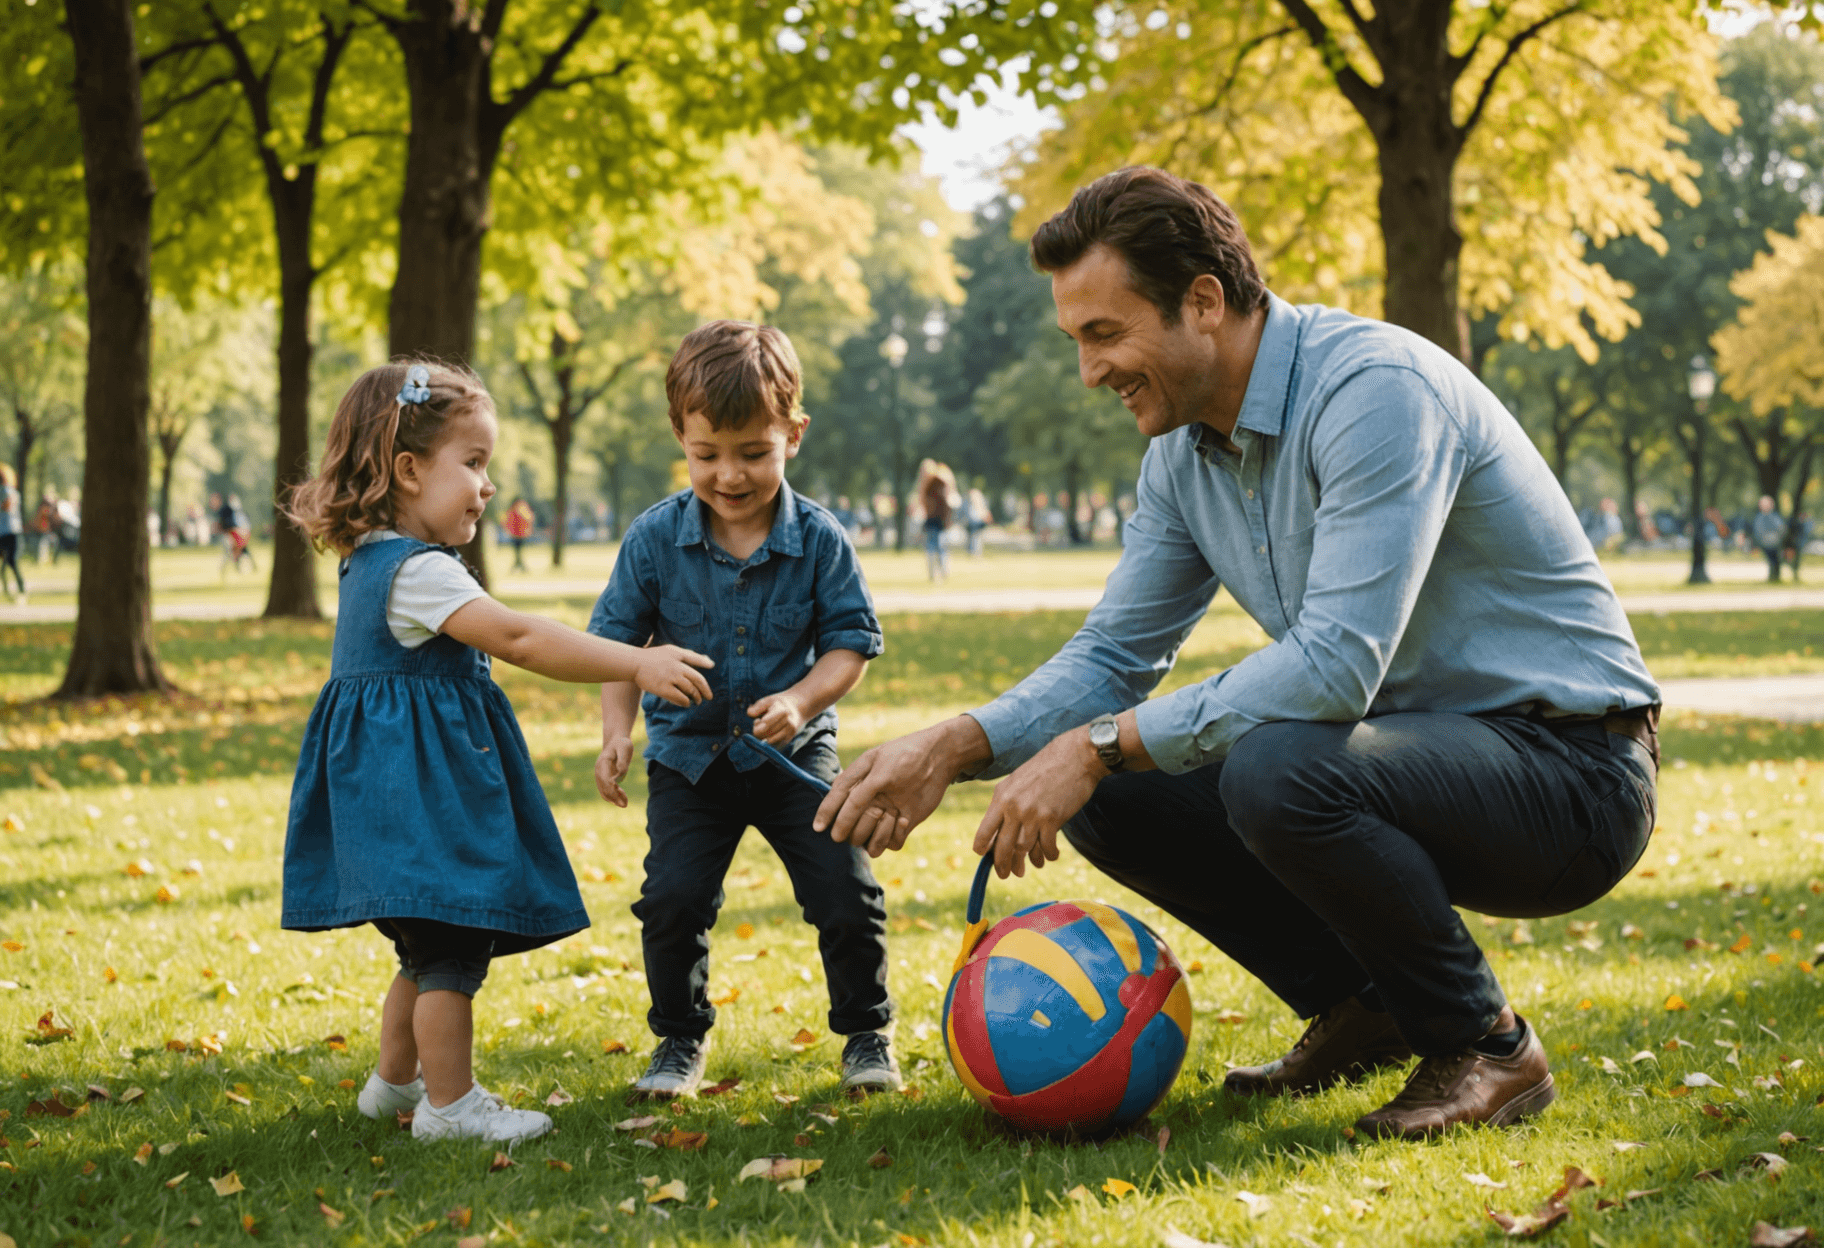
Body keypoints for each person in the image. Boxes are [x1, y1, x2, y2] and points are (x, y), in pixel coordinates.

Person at [812, 168, 1659, 1141]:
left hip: (1575, 775)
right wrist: (955, 744)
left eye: (1105, 334)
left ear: (1203, 302)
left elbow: (1337, 666)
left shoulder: (1375, 391)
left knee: (1267, 766)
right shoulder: (1179, 455)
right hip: (1421, 753)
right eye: (1077, 341)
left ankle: (1488, 1048)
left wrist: (1096, 742)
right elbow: (1113, 656)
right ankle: (1369, 1008)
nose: (1090, 372)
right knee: (1122, 790)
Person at [282, 361, 714, 1143]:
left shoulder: (372, 560)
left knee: (421, 947)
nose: (486, 486)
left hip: (390, 795)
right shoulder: (418, 572)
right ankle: (449, 1106)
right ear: (408, 471)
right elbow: (518, 637)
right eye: (473, 463)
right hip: (423, 800)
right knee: (448, 944)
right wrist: (637, 661)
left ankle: (394, 1083)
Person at [588, 321, 900, 1100]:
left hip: (795, 757)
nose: (729, 474)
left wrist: (800, 700)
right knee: (672, 900)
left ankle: (866, 1032)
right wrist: (615, 732)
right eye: (708, 455)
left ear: (792, 435)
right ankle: (677, 1042)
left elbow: (850, 646)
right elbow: (618, 646)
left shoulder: (822, 539)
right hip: (691, 760)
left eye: (753, 453)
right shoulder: (654, 540)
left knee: (845, 890)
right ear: (681, 438)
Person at [917, 459, 959, 582]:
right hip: (936, 519)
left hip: (935, 519)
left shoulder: (933, 484)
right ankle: (940, 572)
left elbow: (926, 502)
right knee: (938, 546)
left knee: (936, 546)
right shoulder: (937, 483)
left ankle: (938, 572)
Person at [0, 464, 25, 601]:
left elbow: (7, 506)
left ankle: (19, 590)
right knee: (10, 562)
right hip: (9, 531)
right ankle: (12, 590)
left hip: (9, 531)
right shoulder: (13, 491)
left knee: (11, 562)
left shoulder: (6, 491)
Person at [1752, 495, 1785, 583]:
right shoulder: (1759, 518)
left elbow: (1781, 529)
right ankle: (1772, 576)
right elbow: (1757, 530)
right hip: (1765, 543)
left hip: (1775, 542)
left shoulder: (1775, 517)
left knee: (1775, 560)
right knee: (1771, 560)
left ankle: (1775, 576)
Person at [503, 497, 535, 572]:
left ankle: (518, 565)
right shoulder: (513, 511)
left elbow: (529, 520)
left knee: (518, 551)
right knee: (517, 551)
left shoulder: (521, 509)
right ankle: (519, 565)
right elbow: (507, 522)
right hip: (515, 535)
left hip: (521, 535)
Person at [963, 486, 989, 558]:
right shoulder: (976, 502)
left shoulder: (970, 503)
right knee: (975, 538)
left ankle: (974, 552)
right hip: (975, 521)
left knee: (974, 537)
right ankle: (975, 552)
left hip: (975, 522)